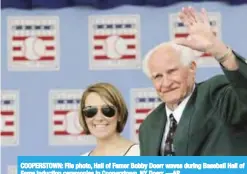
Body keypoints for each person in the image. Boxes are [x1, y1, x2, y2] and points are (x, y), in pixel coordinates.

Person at [139, 6, 247, 156]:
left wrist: (221, 52)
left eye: (172, 71)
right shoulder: (149, 125)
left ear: (192, 68)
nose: (166, 83)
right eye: (158, 76)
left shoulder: (216, 95)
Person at [79, 82, 140, 156]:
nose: (99, 118)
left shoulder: (141, 154)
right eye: (90, 111)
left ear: (120, 114)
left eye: (107, 110)